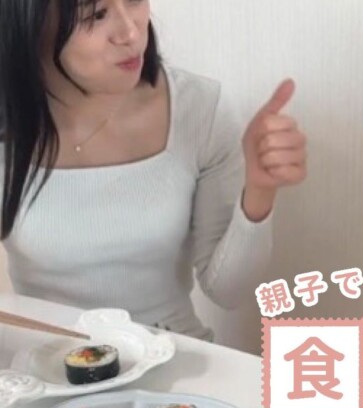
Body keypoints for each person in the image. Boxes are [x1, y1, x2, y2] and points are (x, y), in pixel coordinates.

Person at [0, 0, 307, 341]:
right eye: (97, 14)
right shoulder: (8, 126)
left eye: (134, 1)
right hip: (46, 362)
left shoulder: (198, 108)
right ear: (31, 24)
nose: (131, 33)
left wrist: (259, 190)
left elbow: (228, 291)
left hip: (175, 358)